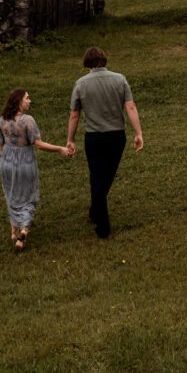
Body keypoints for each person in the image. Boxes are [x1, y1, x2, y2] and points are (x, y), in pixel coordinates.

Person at [66, 47, 143, 238]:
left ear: (87, 63)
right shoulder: (120, 79)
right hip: (117, 136)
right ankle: (101, 221)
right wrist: (138, 133)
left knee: (97, 176)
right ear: (103, 60)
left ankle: (98, 215)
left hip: (94, 137)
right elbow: (130, 107)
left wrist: (70, 139)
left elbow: (74, 115)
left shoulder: (80, 84)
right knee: (106, 176)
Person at [0, 88, 70, 251]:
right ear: (19, 101)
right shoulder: (28, 120)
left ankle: (14, 230)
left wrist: (7, 159)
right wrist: (60, 149)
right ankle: (23, 231)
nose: (30, 101)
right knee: (28, 196)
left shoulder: (2, 120)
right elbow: (38, 144)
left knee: (11, 193)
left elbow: (0, 144)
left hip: (6, 162)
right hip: (25, 162)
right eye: (27, 98)